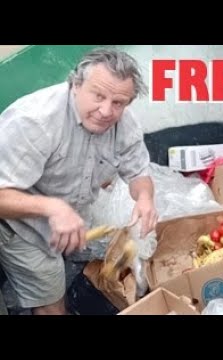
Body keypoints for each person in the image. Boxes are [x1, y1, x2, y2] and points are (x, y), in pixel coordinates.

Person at [0, 48, 158, 315]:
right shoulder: (35, 121)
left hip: (73, 218)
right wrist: (54, 208)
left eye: (118, 103)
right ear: (75, 85)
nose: (106, 111)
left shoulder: (123, 120)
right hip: (21, 228)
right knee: (53, 306)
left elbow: (138, 170)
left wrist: (144, 198)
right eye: (98, 96)